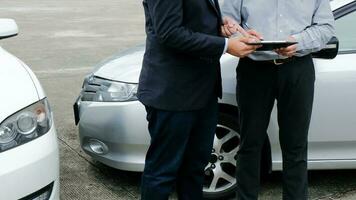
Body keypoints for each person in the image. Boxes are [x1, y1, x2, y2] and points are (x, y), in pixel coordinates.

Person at [137, 0, 261, 199]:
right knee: (162, 173)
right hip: (173, 95)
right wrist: (226, 45)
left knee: (195, 170)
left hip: (204, 92)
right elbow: (169, 32)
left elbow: (193, 18)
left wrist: (221, 26)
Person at [221, 0, 336, 199]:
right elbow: (226, 23)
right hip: (254, 69)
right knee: (250, 142)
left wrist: (298, 41)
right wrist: (243, 37)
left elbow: (326, 27)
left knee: (296, 145)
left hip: (297, 68)